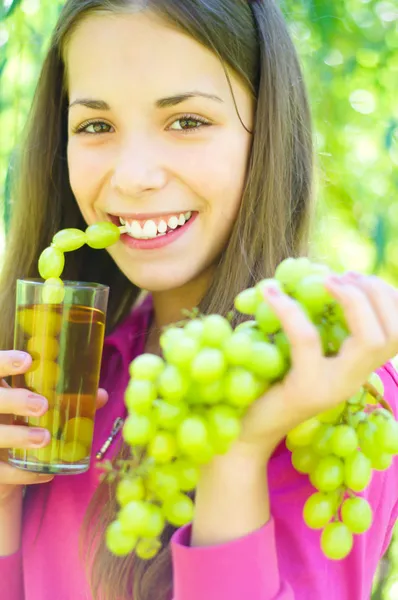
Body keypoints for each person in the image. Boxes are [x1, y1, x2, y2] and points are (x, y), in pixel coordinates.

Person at [0, 1, 397, 599]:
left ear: (267, 131)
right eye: (95, 126)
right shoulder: (74, 368)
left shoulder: (335, 389)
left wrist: (233, 460)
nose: (133, 176)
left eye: (187, 121)